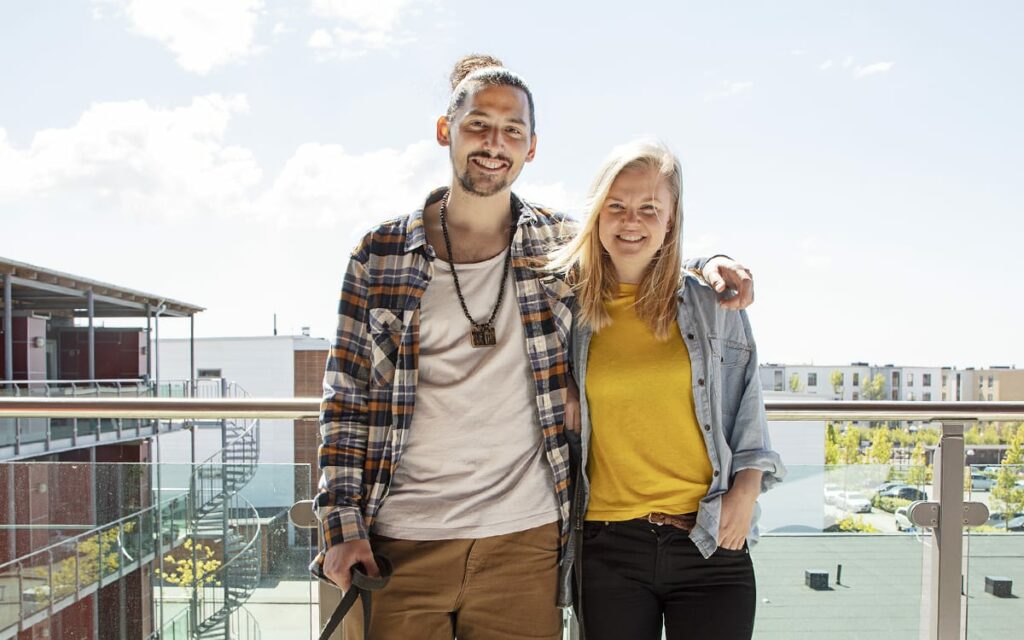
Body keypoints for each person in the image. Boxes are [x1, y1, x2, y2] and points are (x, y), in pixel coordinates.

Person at [310, 55, 756, 640]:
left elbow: (638, 237)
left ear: (532, 147)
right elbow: (344, 400)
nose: (494, 144)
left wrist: (710, 261)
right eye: (478, 125)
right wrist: (342, 527)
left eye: (512, 131)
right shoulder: (381, 253)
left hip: (525, 543)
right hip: (402, 539)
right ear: (446, 130)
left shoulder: (556, 245)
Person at [552, 139, 785, 640]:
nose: (630, 221)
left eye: (648, 208)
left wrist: (744, 496)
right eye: (616, 206)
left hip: (709, 540)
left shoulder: (712, 303)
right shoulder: (567, 309)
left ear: (671, 221)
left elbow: (748, 412)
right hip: (609, 548)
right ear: (596, 215)